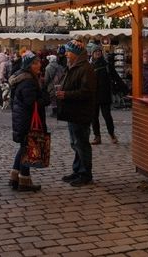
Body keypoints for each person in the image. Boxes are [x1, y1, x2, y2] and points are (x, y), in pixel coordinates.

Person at [56, 39, 97, 187]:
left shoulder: (86, 68)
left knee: (81, 144)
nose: (66, 54)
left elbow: (87, 92)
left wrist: (66, 94)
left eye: (69, 52)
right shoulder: (74, 66)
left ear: (76, 54)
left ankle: (85, 174)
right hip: (73, 111)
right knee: (75, 143)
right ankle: (77, 170)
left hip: (81, 112)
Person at [9, 51, 48, 192]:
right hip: (27, 120)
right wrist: (45, 98)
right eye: (37, 63)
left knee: (23, 147)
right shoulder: (28, 81)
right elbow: (31, 102)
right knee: (26, 149)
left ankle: (14, 177)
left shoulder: (24, 77)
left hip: (22, 119)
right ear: (30, 65)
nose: (40, 65)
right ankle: (24, 181)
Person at [90, 46, 118, 145]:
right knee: (94, 117)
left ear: (101, 53)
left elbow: (116, 77)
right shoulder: (90, 66)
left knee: (107, 116)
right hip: (93, 95)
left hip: (104, 95)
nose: (97, 53)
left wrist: (123, 89)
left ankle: (112, 134)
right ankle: (97, 137)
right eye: (95, 51)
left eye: (99, 51)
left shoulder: (107, 65)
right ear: (92, 54)